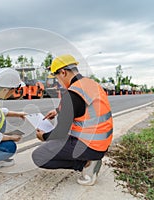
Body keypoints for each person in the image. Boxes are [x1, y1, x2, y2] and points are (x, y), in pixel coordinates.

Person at [32, 54, 113, 186]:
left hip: (89, 146)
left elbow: (60, 133)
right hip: (102, 144)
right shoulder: (91, 84)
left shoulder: (71, 94)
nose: (58, 81)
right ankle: (90, 159)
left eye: (57, 77)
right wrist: (57, 111)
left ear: (63, 72)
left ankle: (85, 165)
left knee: (39, 156)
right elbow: (84, 106)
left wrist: (44, 136)